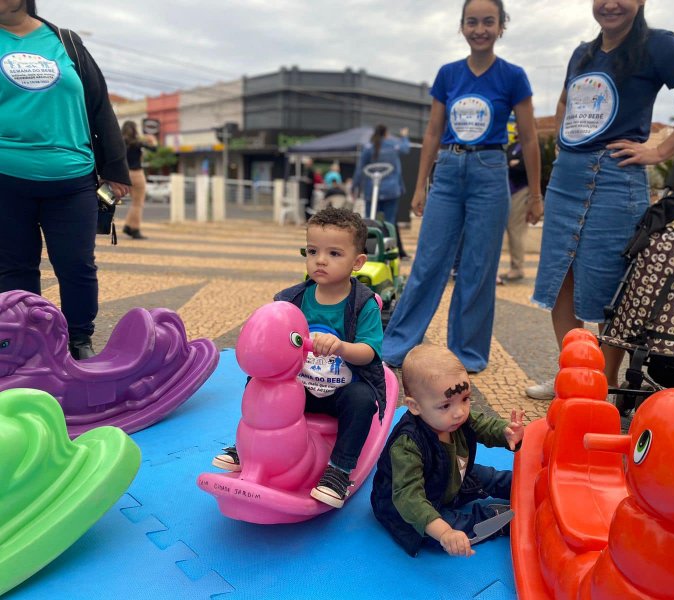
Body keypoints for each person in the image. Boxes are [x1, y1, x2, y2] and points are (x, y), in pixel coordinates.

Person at [526, 0, 674, 401]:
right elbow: (566, 103)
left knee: (608, 289)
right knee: (560, 279)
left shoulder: (658, 45)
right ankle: (573, 374)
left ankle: (603, 384)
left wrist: (661, 150)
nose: (610, 4)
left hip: (617, 178)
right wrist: (568, 143)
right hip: (567, 178)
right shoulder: (582, 52)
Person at [382, 0, 542, 373]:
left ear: (502, 26)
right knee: (427, 262)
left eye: (489, 21)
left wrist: (535, 195)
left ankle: (466, 353)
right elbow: (433, 132)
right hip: (449, 170)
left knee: (479, 267)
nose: (480, 29)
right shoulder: (448, 74)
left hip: (490, 169)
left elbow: (531, 139)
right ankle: (398, 345)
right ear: (462, 27)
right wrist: (420, 186)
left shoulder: (513, 76)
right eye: (472, 22)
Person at [213, 207, 386, 509]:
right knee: (261, 379)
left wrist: (342, 346)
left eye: (334, 253)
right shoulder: (292, 299)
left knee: (361, 398)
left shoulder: (364, 305)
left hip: (340, 392)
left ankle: (339, 470)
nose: (320, 260)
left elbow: (369, 352)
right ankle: (250, 447)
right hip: (298, 389)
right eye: (313, 251)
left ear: (357, 262)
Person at [0, 0, 131, 360]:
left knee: (77, 264)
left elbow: (100, 103)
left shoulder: (66, 41)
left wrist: (116, 167)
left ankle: (78, 340)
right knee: (14, 267)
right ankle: (26, 343)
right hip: (5, 177)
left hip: (72, 178)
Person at [371, 344, 525, 557]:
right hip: (412, 507)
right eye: (445, 406)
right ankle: (501, 519)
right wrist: (444, 533)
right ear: (414, 406)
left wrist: (506, 432)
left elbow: (483, 425)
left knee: (491, 476)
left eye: (466, 399)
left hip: (451, 477)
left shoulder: (456, 418)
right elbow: (409, 498)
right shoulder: (407, 444)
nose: (459, 412)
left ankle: (527, 486)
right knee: (456, 531)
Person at [353, 124, 412, 259]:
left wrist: (355, 187)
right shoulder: (392, 144)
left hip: (372, 190)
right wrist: (404, 136)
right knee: (389, 223)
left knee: (370, 220)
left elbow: (360, 169)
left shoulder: (368, 147)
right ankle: (389, 253)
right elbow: (405, 149)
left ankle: (369, 251)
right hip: (391, 190)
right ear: (386, 133)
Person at [501, 117, 536, 282]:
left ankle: (517, 267)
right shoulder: (513, 146)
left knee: (516, 229)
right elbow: (505, 162)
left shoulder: (533, 146)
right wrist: (512, 164)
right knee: (509, 228)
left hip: (521, 190)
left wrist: (515, 164)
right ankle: (513, 265)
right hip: (508, 190)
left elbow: (525, 167)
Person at [121, 120, 157, 240]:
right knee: (138, 203)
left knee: (133, 203)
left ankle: (127, 225)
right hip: (137, 174)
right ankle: (135, 229)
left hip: (124, 174)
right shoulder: (137, 143)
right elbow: (154, 150)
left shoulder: (119, 142)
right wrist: (152, 140)